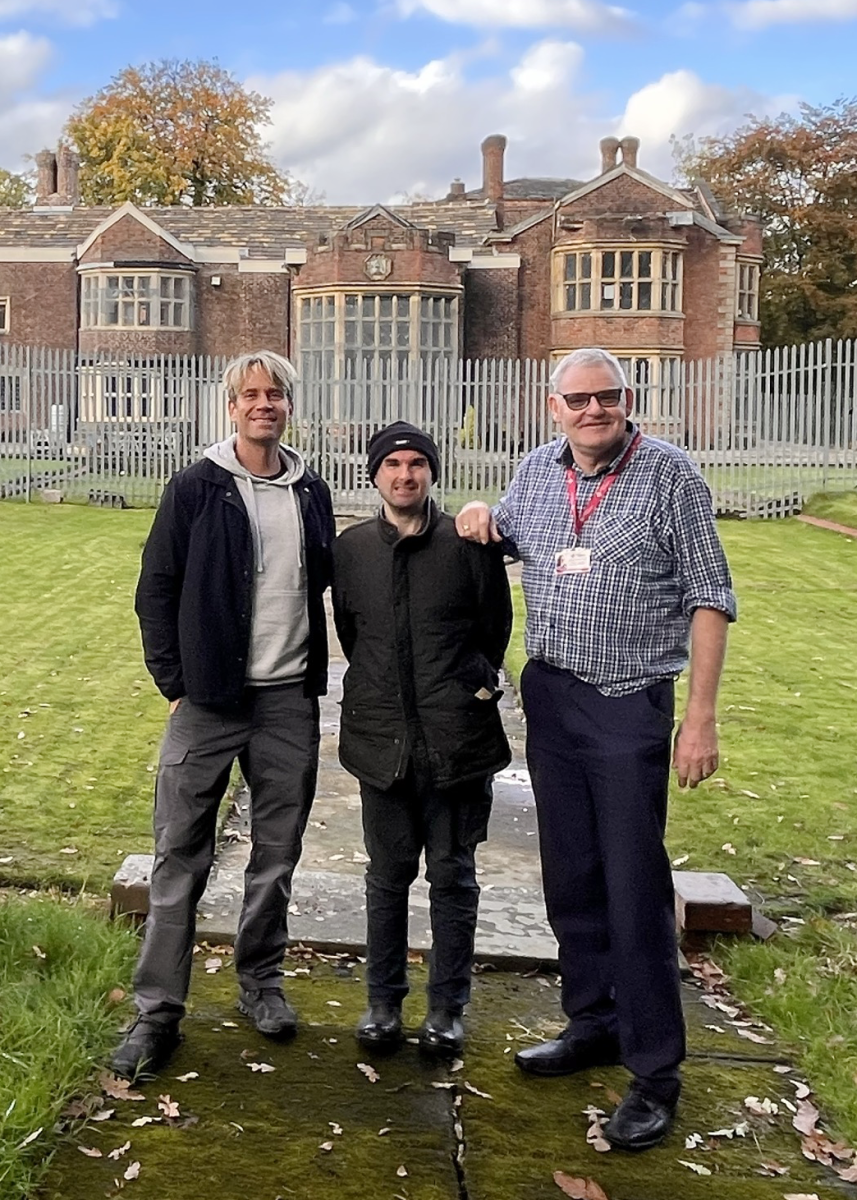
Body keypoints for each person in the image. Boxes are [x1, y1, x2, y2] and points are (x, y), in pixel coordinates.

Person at [455, 348, 736, 1150]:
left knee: (632, 883)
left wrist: (700, 719)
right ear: (553, 407)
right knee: (571, 874)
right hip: (552, 696)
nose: (592, 411)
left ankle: (655, 1070)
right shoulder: (538, 471)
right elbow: (502, 532)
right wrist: (478, 510)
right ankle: (592, 1023)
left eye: (605, 397)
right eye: (577, 399)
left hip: (627, 702)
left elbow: (709, 596)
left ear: (627, 398)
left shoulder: (668, 475)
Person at [112, 350, 334, 1080]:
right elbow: (157, 588)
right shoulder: (196, 487)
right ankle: (157, 1014)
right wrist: (175, 683)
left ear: (287, 408)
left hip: (286, 703)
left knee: (276, 855)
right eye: (250, 395)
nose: (263, 404)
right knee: (179, 856)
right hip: (207, 702)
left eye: (274, 395)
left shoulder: (310, 492)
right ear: (231, 407)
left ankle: (259, 984)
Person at [332, 421, 512, 1057]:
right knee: (386, 875)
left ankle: (447, 1007)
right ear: (374, 474)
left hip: (457, 739)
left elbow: (493, 631)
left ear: (431, 472)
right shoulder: (351, 550)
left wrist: (462, 688)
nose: (404, 475)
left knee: (453, 875)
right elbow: (353, 633)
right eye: (392, 465)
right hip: (381, 739)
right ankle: (382, 1001)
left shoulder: (466, 544)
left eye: (416, 464)